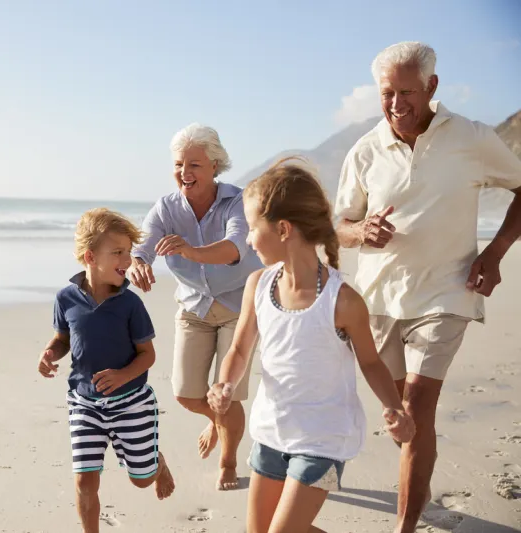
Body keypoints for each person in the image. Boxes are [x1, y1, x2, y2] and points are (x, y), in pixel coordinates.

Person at [334, 41, 521, 533]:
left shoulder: (472, 138)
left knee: (416, 410)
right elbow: (339, 224)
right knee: (404, 423)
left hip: (447, 292)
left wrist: (495, 253)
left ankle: (405, 526)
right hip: (378, 301)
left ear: (432, 87)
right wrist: (360, 232)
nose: (396, 104)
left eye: (407, 93)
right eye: (387, 94)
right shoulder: (365, 150)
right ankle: (420, 469)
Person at [207, 159, 416, 533]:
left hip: (323, 440)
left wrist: (394, 408)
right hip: (271, 431)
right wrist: (225, 384)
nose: (248, 239)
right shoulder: (258, 285)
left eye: (253, 228)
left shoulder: (343, 301)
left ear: (283, 229)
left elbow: (370, 363)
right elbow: (239, 350)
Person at [128, 123, 264, 490]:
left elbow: (236, 247)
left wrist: (190, 250)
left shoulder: (238, 201)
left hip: (239, 307)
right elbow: (141, 246)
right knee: (187, 394)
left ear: (215, 165)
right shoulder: (166, 208)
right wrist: (138, 263)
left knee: (225, 392)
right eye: (178, 165)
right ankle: (217, 419)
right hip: (194, 309)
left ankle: (229, 462)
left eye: (195, 165)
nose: (184, 173)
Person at [37, 208, 175, 533]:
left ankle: (156, 462)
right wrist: (50, 353)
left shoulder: (130, 304)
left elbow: (147, 355)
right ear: (90, 256)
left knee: (141, 479)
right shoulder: (66, 299)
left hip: (132, 402)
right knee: (85, 479)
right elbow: (62, 339)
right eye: (118, 252)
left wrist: (122, 375)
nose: (127, 260)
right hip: (84, 403)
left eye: (128, 252)